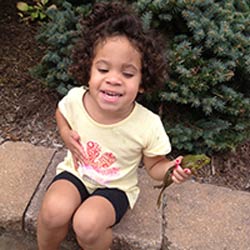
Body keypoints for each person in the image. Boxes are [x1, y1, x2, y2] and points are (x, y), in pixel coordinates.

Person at [37, 1, 192, 250]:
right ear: (89, 70)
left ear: (143, 82)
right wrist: (65, 134)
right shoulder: (77, 98)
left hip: (115, 188)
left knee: (87, 224)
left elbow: (154, 165)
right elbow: (61, 112)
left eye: (128, 74)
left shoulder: (147, 124)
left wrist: (171, 171)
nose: (113, 79)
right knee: (53, 211)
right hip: (76, 173)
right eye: (103, 68)